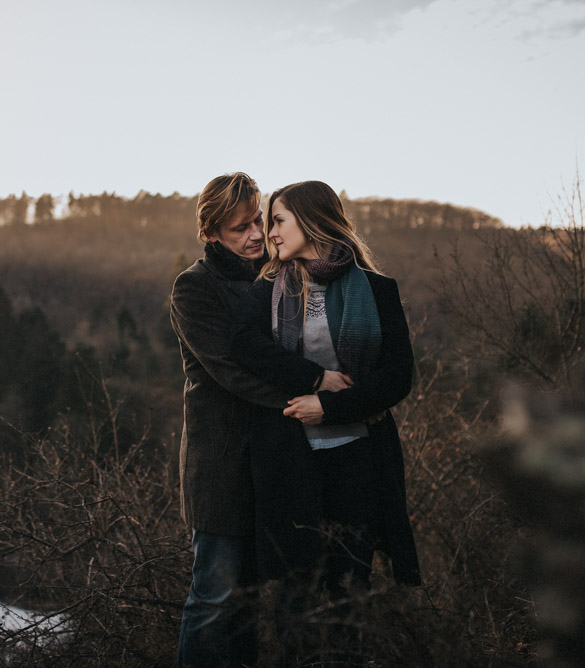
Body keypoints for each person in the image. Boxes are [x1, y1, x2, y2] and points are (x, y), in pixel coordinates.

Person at [229, 180, 421, 657]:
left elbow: (398, 377)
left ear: (311, 220)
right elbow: (244, 348)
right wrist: (315, 379)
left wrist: (329, 407)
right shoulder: (267, 291)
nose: (269, 232)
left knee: (348, 592)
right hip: (290, 463)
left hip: (357, 459)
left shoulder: (377, 290)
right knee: (296, 593)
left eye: (277, 220)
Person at [170, 173, 328, 667]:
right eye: (240, 229)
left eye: (257, 220)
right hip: (220, 467)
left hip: (274, 463)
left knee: (251, 606)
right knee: (214, 600)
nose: (256, 235)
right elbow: (232, 372)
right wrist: (312, 392)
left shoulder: (277, 276)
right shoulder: (194, 288)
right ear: (212, 234)